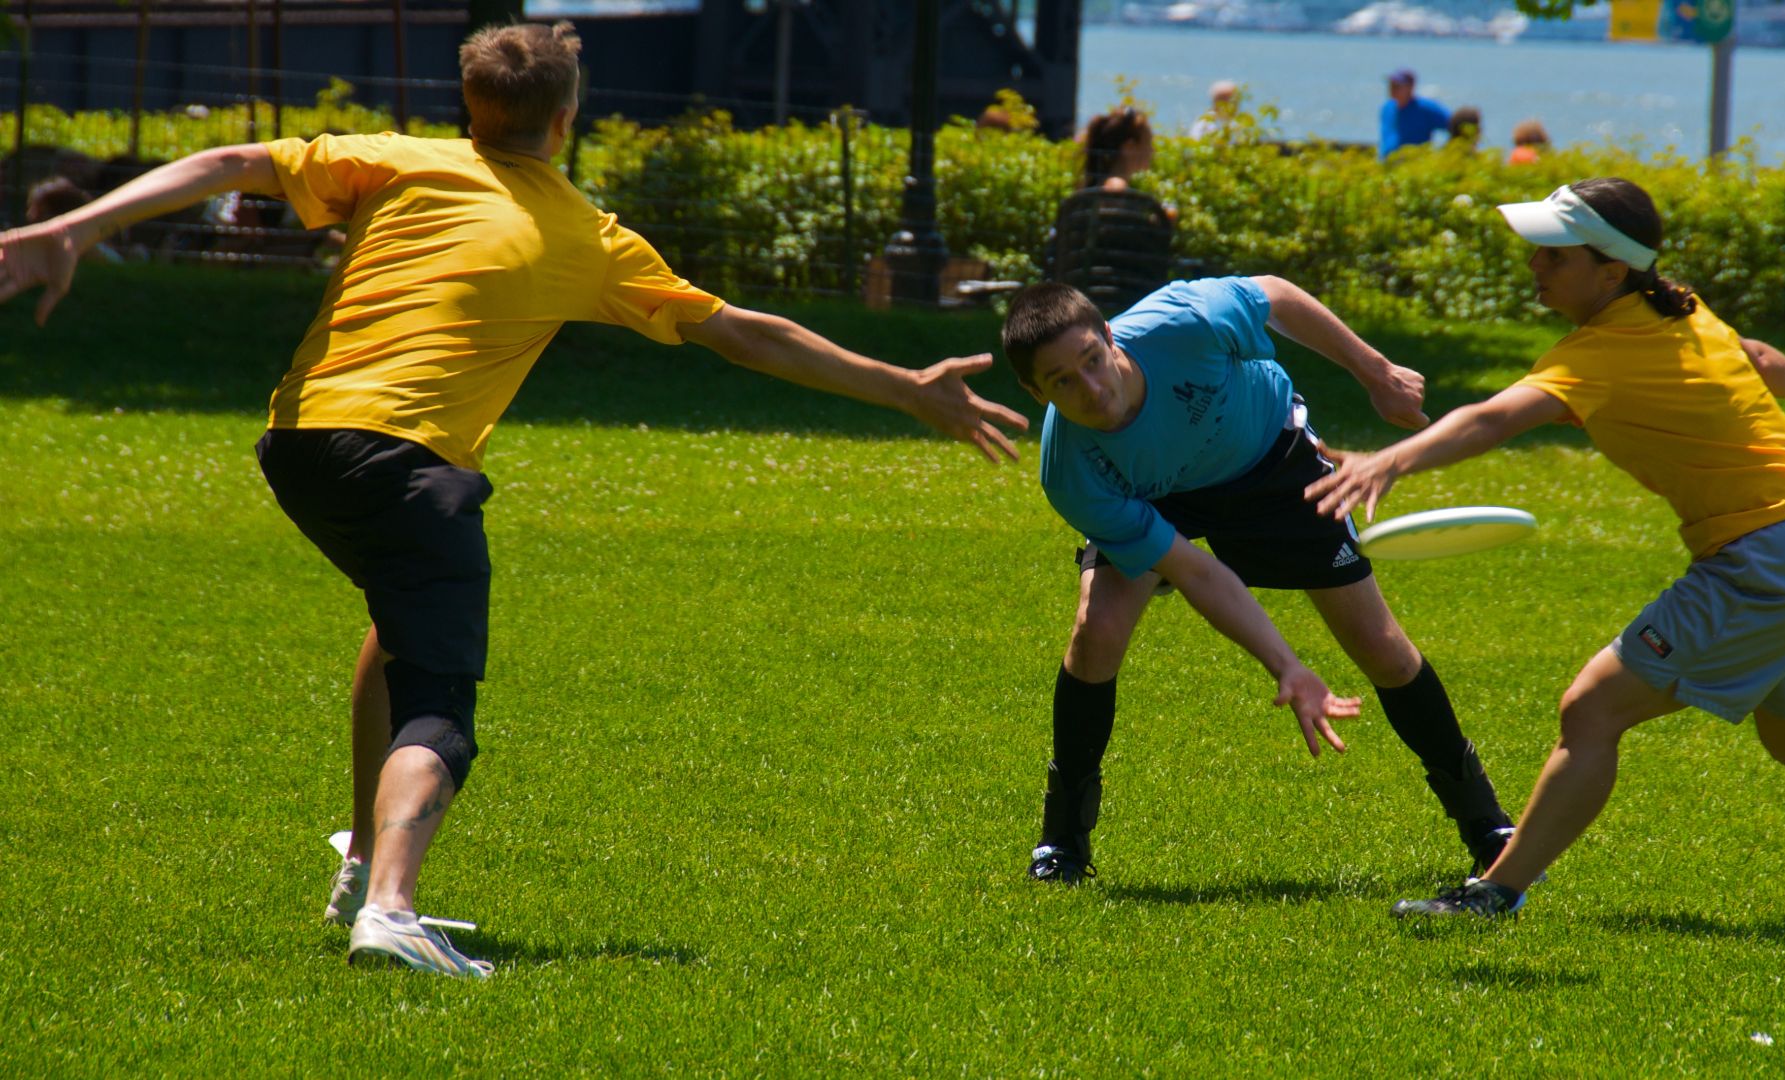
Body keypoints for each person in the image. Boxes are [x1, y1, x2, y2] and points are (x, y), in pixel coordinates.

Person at [0, 22, 1028, 977]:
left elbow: (230, 164)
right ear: (568, 118)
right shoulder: (586, 234)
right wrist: (906, 389)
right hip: (409, 468)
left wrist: (76, 229)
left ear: (469, 103)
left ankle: (363, 867)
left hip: (298, 442)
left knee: (397, 623)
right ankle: (391, 912)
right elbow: (747, 332)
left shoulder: (403, 159)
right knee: (441, 708)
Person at [1306, 178, 1785, 925]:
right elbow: (1755, 354)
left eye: (1555, 255)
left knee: (1591, 708)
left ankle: (1494, 893)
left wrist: (1389, 461)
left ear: (1611, 270)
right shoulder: (1679, 305)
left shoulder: (1602, 351)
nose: (1536, 263)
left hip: (1764, 556)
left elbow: (1494, 417)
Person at [995, 277, 1518, 885]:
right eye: (1062, 381)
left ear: (1110, 336)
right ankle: (1062, 843)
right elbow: (1195, 571)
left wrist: (1375, 372)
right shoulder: (1071, 472)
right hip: (1153, 495)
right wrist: (1285, 665)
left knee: (1379, 647)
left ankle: (1487, 824)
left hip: (1270, 463)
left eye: (1092, 360)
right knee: (1097, 629)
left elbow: (1276, 296)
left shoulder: (1186, 324)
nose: (1091, 386)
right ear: (1037, 393)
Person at [1080, 106, 1158, 195]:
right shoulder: (1116, 186)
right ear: (1129, 147)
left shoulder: (1106, 183)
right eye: (1148, 143)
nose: (1153, 150)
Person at [1379, 69, 1450, 160]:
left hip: (1414, 167)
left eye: (1397, 86)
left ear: (1410, 87)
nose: (1392, 89)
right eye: (1391, 85)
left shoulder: (1426, 108)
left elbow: (1456, 124)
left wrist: (1444, 154)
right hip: (1387, 166)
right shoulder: (1387, 108)